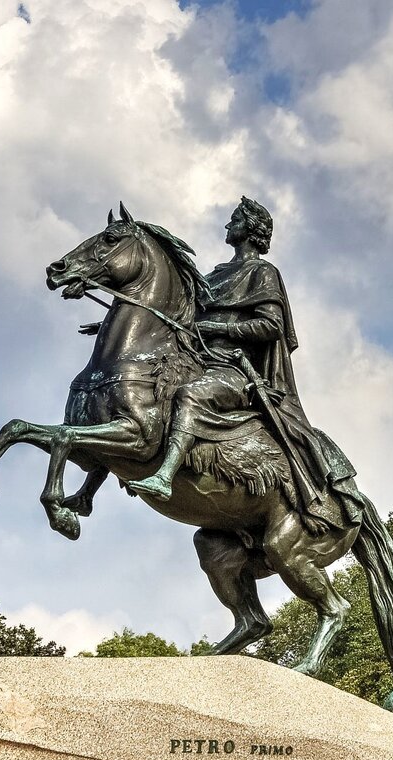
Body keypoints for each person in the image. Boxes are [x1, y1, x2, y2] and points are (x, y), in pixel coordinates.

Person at [127, 197, 341, 530]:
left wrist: (221, 327)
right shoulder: (214, 275)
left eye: (235, 220)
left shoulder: (262, 273)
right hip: (198, 358)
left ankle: (165, 475)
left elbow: (272, 326)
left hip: (235, 369)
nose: (228, 226)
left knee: (189, 396)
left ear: (252, 229)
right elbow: (182, 319)